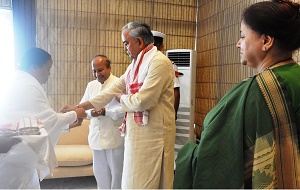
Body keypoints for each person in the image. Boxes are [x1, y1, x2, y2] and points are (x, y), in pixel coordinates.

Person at [173, 0, 300, 189]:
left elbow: (213, 157)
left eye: (243, 35)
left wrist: (186, 155)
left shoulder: (255, 91)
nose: (238, 43)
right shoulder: (295, 76)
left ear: (266, 41)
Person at [61, 21, 176, 189]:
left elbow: (144, 101)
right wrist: (80, 107)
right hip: (135, 133)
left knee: (149, 183)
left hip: (154, 135)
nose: (125, 48)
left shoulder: (159, 62)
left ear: (139, 42)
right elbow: (112, 91)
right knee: (131, 182)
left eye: (126, 43)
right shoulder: (134, 66)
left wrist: (122, 98)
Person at [0, 47, 86, 189]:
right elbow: (45, 122)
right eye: (47, 69)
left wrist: (67, 125)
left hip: (12, 158)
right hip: (11, 163)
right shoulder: (27, 85)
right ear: (34, 67)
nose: (49, 74)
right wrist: (76, 114)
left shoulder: (18, 81)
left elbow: (32, 125)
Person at [79, 54, 125, 189]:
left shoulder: (118, 83)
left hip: (114, 138)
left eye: (100, 70)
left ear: (109, 68)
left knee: (117, 174)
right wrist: (90, 113)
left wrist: (106, 112)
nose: (97, 74)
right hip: (96, 138)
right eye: (94, 71)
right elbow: (82, 107)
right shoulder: (91, 85)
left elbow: (125, 108)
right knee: (100, 174)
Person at [152, 30, 180, 119]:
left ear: (161, 47)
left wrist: (174, 114)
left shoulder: (169, 65)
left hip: (163, 112)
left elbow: (175, 92)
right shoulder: (142, 65)